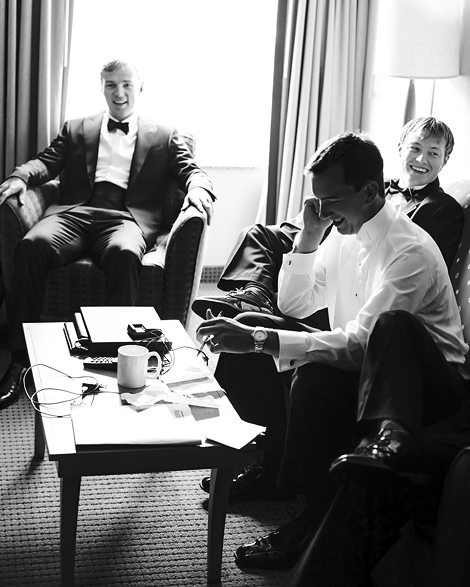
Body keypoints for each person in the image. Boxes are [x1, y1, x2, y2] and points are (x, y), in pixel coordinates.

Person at [195, 132, 470, 579]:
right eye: (317, 199)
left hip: (425, 386)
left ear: (369, 191)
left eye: (331, 200)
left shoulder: (410, 251)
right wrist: (307, 237)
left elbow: (364, 343)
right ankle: (274, 467)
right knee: (248, 340)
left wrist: (269, 340)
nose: (322, 209)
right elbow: (295, 303)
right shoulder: (342, 231)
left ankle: (308, 515)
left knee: (311, 375)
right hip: (365, 361)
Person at [0, 59, 215, 409]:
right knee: (30, 247)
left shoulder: (164, 134)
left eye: (126, 84)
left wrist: (200, 189)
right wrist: (20, 176)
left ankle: (115, 357)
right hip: (75, 212)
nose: (119, 92)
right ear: (102, 88)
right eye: (111, 84)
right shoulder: (76, 128)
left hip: (126, 219)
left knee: (125, 255)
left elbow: (190, 170)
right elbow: (46, 161)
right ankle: (21, 360)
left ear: (139, 87)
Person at [192, 117, 462, 321]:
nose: (421, 158)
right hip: (337, 243)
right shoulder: (378, 182)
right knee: (258, 234)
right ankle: (256, 293)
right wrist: (308, 233)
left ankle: (258, 304)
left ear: (445, 160)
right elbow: (297, 301)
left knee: (258, 329)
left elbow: (401, 274)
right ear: (401, 147)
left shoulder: (439, 212)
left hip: (372, 299)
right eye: (415, 148)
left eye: (433, 153)